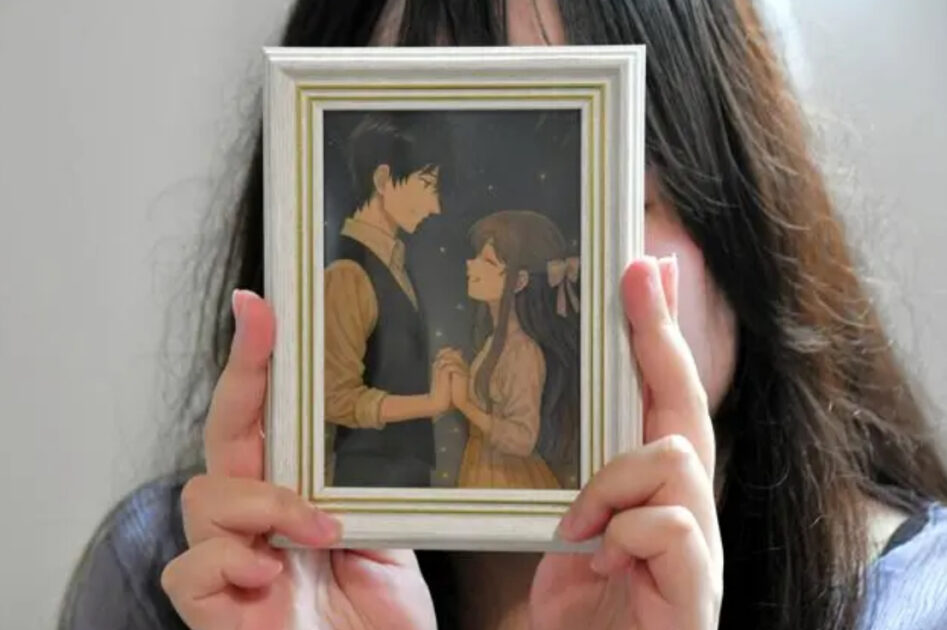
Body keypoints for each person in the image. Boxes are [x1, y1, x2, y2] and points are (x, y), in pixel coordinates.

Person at [58, 1, 947, 630]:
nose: (592, 255)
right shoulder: (175, 583)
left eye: (623, 192)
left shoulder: (911, 602)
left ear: (741, 216)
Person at [323, 113, 450, 488]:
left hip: (400, 476)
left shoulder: (394, 263)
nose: (435, 207)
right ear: (382, 180)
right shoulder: (348, 271)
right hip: (370, 479)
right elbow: (335, 398)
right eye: (427, 185)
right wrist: (431, 403)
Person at [438, 210, 580, 490]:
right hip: (484, 467)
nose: (470, 265)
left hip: (505, 477)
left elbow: (523, 438)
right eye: (477, 257)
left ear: (519, 281)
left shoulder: (523, 351)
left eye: (487, 262)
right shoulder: (495, 341)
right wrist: (462, 377)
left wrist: (465, 404)